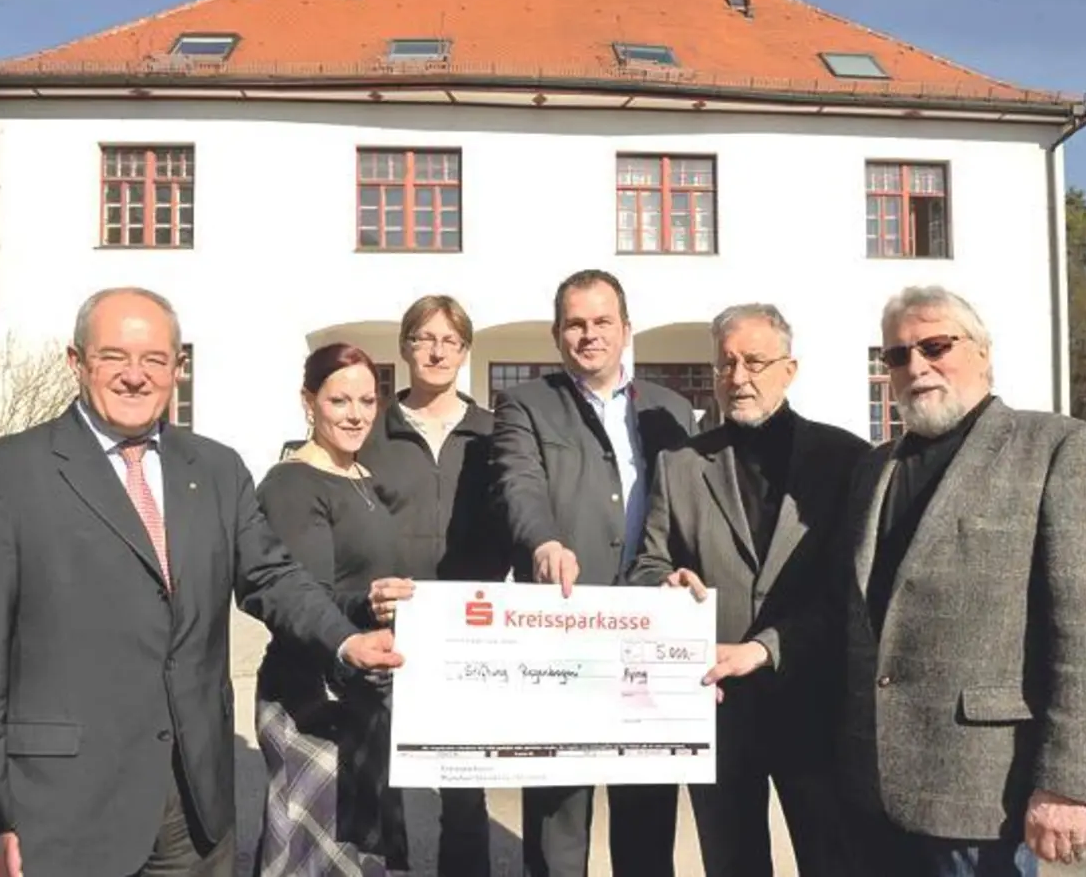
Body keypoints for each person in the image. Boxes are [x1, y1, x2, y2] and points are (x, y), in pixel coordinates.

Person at [0, 287, 402, 877]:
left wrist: (346, 641)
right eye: (114, 356)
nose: (135, 375)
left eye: (154, 359)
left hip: (194, 804)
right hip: (64, 807)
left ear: (178, 367)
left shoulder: (216, 469)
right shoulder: (2, 475)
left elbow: (271, 574)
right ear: (76, 362)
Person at [826, 285, 1086, 876]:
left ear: (982, 351)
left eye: (935, 346)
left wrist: (1067, 783)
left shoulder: (1055, 447)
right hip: (871, 790)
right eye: (897, 355)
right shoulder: (874, 468)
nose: (916, 366)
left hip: (982, 792)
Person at [627, 303, 868, 877]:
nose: (738, 377)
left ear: (790, 369)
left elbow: (852, 587)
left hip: (816, 703)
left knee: (833, 861)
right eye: (726, 363)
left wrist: (767, 648)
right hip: (717, 709)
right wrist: (665, 582)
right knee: (732, 863)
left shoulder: (847, 459)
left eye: (755, 362)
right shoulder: (680, 464)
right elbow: (648, 562)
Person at [490, 269, 696, 877]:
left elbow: (693, 505)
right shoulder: (526, 404)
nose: (590, 335)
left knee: (646, 816)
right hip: (564, 625)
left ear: (627, 329)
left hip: (649, 629)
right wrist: (543, 542)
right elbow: (518, 484)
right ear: (557, 334)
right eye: (576, 324)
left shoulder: (672, 410)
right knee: (558, 816)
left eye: (603, 321)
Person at [357, 295, 509, 876]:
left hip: (470, 633)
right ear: (405, 347)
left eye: (450, 340)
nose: (437, 351)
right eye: (424, 338)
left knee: (464, 788)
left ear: (465, 351)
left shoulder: (495, 433)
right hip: (388, 627)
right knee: (380, 780)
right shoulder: (373, 431)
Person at [253, 341, 417, 876]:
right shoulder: (292, 483)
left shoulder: (361, 476)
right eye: (339, 401)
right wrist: (368, 604)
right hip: (313, 697)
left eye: (367, 401)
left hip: (366, 692)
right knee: (315, 858)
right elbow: (302, 596)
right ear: (309, 401)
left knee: (364, 853)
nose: (356, 415)